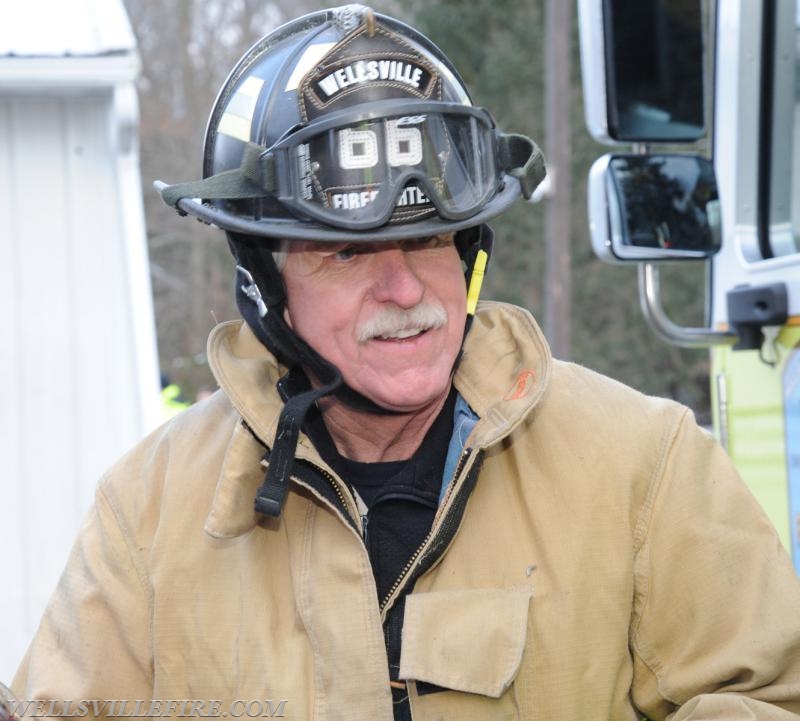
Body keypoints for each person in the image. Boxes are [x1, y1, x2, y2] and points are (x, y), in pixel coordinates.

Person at [11, 5, 800, 720]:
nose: (403, 289)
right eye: (348, 254)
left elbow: (767, 697)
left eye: (429, 239)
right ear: (264, 281)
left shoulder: (643, 467)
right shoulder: (150, 514)